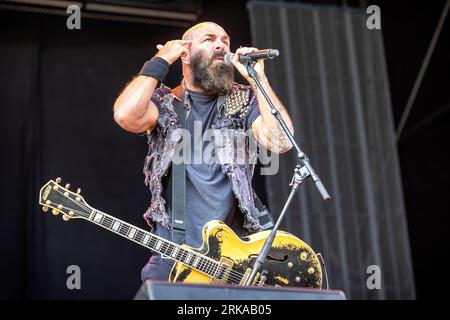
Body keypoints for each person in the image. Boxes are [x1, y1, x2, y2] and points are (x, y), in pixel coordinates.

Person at [113, 22, 294, 282]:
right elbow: (125, 115)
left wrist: (258, 78)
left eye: (225, 40)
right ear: (184, 54)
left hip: (236, 259)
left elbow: (281, 142)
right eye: (209, 39)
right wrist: (161, 60)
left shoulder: (244, 99)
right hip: (175, 252)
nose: (221, 44)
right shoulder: (166, 102)